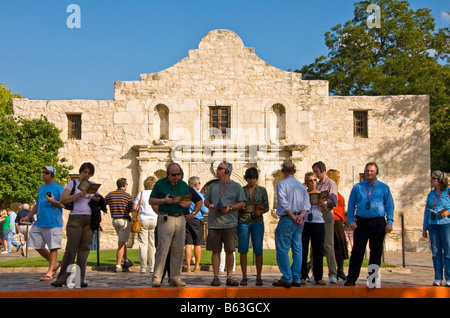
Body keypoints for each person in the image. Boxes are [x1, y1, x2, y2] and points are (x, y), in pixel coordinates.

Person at [149, 162, 202, 287]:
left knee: (178, 249)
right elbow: (151, 200)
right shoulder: (160, 184)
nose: (176, 177)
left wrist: (188, 205)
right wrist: (164, 201)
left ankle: (175, 277)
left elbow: (190, 200)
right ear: (168, 174)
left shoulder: (183, 185)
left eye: (178, 174)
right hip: (166, 218)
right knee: (163, 249)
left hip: (180, 218)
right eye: (173, 175)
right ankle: (157, 278)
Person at [345, 161, 394, 286]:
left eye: (372, 171)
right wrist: (351, 220)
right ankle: (351, 278)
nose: (369, 173)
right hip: (361, 222)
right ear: (364, 172)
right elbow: (351, 205)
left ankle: (372, 280)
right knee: (357, 251)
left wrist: (389, 222)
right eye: (367, 170)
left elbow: (389, 206)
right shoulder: (358, 187)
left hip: (378, 222)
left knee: (376, 252)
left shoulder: (384, 188)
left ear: (376, 172)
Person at [52, 162, 100, 288]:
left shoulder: (92, 185)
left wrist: (97, 199)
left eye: (89, 173)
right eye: (85, 172)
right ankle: (62, 279)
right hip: (75, 218)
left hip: (89, 218)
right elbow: (62, 199)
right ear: (80, 172)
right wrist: (78, 195)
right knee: (71, 249)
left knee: (84, 250)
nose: (87, 175)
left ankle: (79, 279)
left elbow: (97, 200)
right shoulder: (72, 183)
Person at [204, 161, 245, 287]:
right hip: (214, 223)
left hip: (230, 223)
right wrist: (210, 205)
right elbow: (206, 200)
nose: (217, 170)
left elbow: (242, 203)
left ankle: (229, 277)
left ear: (227, 171)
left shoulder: (237, 186)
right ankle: (216, 277)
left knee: (229, 251)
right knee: (215, 251)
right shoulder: (213, 186)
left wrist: (230, 208)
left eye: (219, 168)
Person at [20, 165, 64, 281]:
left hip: (54, 222)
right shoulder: (41, 188)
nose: (44, 174)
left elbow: (65, 204)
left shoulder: (59, 188)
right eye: (43, 172)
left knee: (53, 247)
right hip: (40, 222)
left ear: (52, 175)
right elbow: (38, 204)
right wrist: (29, 216)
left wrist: (53, 201)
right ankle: (54, 264)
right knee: (35, 244)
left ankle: (50, 271)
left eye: (47, 173)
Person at [273, 162, 310, 288]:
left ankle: (287, 277)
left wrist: (293, 216)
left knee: (282, 249)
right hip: (299, 219)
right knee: (297, 249)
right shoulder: (301, 186)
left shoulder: (282, 185)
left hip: (288, 218)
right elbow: (307, 205)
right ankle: (296, 277)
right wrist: (300, 216)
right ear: (294, 171)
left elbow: (284, 204)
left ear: (283, 171)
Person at [238, 167, 269, 286]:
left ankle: (259, 276)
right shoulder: (241, 190)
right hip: (243, 221)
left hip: (257, 222)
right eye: (250, 178)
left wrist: (260, 212)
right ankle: (244, 276)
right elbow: (237, 204)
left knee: (258, 249)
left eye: (254, 178)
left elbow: (266, 206)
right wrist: (241, 208)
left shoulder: (262, 190)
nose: (252, 181)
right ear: (246, 179)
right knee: (243, 249)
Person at [312, 161, 338, 284]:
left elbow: (333, 200)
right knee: (315, 246)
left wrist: (324, 203)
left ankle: (333, 273)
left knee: (328, 245)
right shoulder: (316, 184)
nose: (315, 174)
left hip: (326, 215)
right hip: (317, 216)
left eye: (316, 171)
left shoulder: (330, 183)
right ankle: (314, 273)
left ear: (322, 170)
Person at [422, 170, 450, 286]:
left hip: (446, 224)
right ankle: (437, 278)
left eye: (433, 178)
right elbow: (426, 212)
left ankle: (448, 278)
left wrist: (448, 212)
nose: (431, 180)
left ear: (440, 180)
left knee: (448, 252)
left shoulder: (449, 192)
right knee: (435, 252)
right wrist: (424, 228)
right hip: (433, 225)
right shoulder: (431, 194)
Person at [301, 172, 326, 285]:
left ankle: (318, 276)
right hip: (305, 222)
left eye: (314, 180)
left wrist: (323, 205)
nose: (313, 182)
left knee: (318, 251)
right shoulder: (303, 194)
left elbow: (325, 212)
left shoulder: (321, 194)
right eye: (310, 180)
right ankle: (302, 275)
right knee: (303, 250)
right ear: (306, 182)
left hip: (318, 222)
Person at [105, 178, 134, 273]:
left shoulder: (111, 194)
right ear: (124, 185)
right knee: (121, 243)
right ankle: (118, 265)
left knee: (123, 241)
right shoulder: (127, 196)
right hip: (124, 220)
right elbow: (131, 208)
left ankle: (126, 261)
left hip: (115, 220)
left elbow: (104, 202)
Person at [133, 176, 158, 274]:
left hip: (143, 219)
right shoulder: (155, 194)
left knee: (143, 244)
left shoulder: (141, 193)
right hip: (154, 219)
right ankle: (152, 267)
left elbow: (134, 207)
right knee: (152, 244)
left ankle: (143, 267)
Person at [327, 169, 349, 281]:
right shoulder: (332, 191)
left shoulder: (334, 190)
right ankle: (338, 271)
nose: (340, 178)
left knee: (337, 246)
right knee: (337, 245)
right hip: (335, 220)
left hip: (339, 220)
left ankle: (339, 270)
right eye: (338, 176)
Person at [185, 176, 209, 272]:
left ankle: (187, 266)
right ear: (196, 184)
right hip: (197, 219)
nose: (200, 185)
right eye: (199, 183)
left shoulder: (186, 195)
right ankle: (197, 266)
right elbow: (205, 209)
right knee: (197, 244)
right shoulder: (200, 196)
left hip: (187, 219)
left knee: (188, 243)